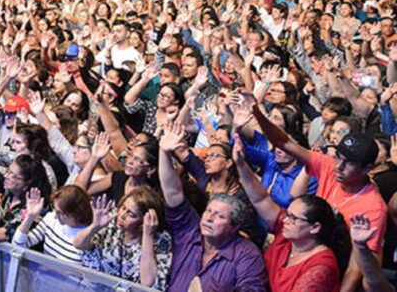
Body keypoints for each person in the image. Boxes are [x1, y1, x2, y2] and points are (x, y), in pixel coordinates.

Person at [252, 102, 388, 291]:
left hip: (333, 271)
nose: (339, 166)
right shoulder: (329, 165)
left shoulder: (373, 207)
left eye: (349, 163)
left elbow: (354, 269)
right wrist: (257, 113)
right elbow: (285, 143)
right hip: (306, 254)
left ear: (367, 169)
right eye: (338, 156)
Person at [158, 122, 267, 291]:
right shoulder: (189, 232)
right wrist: (164, 152)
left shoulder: (247, 256)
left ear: (235, 227)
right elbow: (173, 193)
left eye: (220, 216)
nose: (209, 217)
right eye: (208, 211)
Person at [233, 133, 345, 292]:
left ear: (315, 227)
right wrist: (241, 164)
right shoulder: (286, 236)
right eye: (287, 215)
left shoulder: (321, 266)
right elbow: (260, 199)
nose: (285, 220)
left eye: (293, 218)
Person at [74, 188, 172, 289]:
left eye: (131, 214)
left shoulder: (160, 239)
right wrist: (95, 226)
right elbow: (78, 244)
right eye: (123, 208)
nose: (122, 216)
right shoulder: (113, 222)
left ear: (143, 221)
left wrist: (148, 235)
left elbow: (147, 282)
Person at [12, 185, 91, 264]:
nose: (55, 216)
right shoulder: (50, 219)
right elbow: (18, 245)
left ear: (75, 213)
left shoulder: (89, 234)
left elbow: (92, 272)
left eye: (59, 213)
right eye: (54, 209)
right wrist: (30, 216)